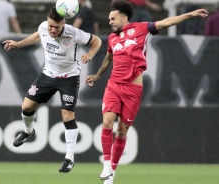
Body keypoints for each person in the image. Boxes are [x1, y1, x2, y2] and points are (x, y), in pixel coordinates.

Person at [85, 1, 208, 184]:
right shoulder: (112, 38)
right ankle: (107, 163)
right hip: (114, 85)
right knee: (107, 121)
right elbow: (109, 57)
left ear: (124, 17)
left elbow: (166, 22)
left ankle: (111, 173)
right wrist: (97, 75)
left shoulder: (141, 28)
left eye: (113, 18)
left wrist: (190, 15)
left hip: (133, 89)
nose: (110, 21)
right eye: (109, 18)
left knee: (121, 132)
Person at [2, 7, 101, 173]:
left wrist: (90, 54)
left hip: (69, 78)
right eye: (50, 27)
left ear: (63, 23)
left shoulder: (74, 33)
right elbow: (39, 35)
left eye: (56, 27)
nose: (53, 30)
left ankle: (69, 157)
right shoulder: (43, 27)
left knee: (67, 116)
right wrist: (19, 44)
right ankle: (28, 131)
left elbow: (96, 41)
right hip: (47, 76)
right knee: (26, 107)